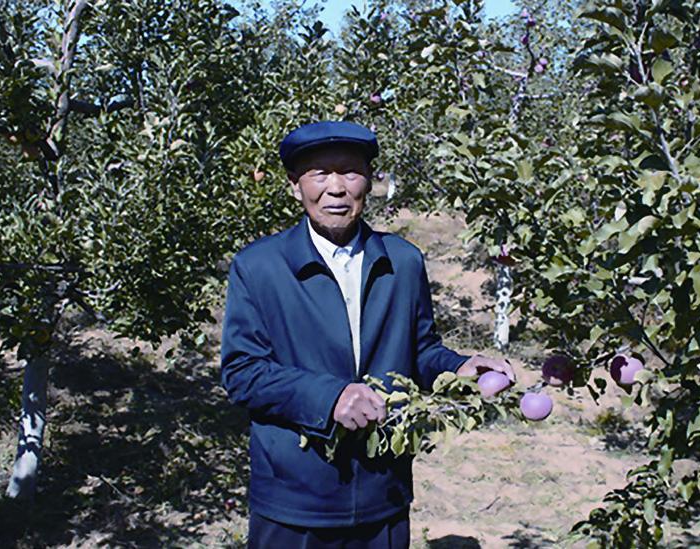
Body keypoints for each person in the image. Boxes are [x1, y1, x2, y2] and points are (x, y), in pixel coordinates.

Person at [220, 121, 515, 548]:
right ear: (294, 186)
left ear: (370, 182)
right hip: (296, 499)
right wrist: (330, 397)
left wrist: (460, 367)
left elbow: (421, 350)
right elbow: (243, 373)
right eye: (320, 173)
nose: (336, 188)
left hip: (383, 492)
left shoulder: (403, 261)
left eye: (350, 172)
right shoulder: (260, 266)